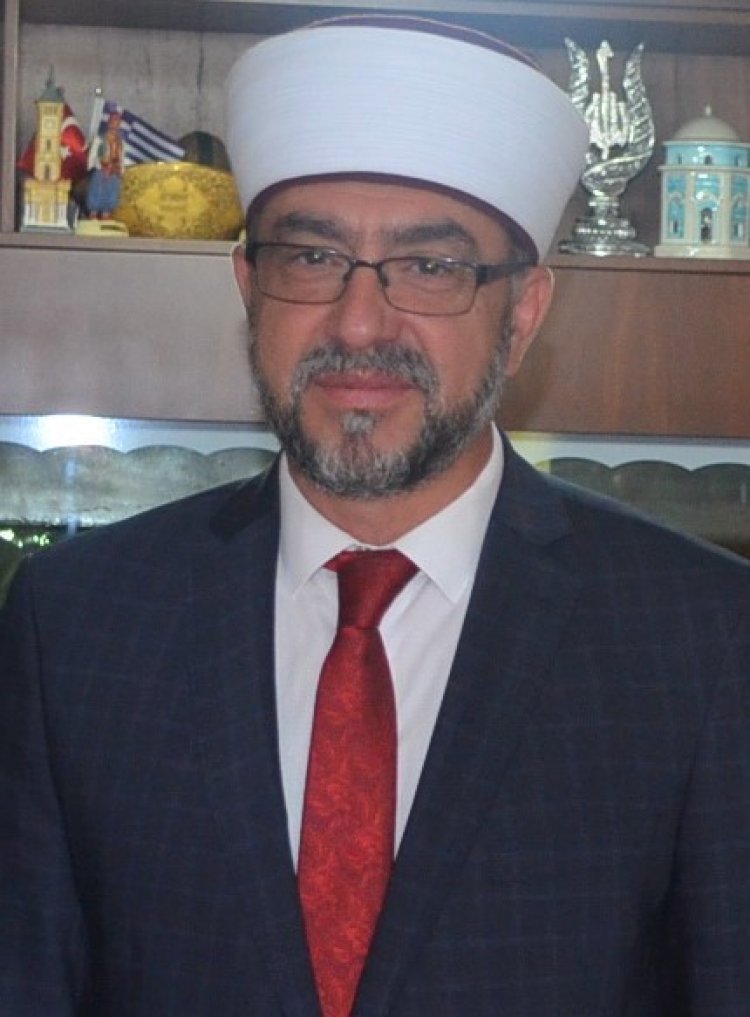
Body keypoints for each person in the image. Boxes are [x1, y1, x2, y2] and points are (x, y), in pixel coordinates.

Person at [1, 16, 749, 1017]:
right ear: (249, 287)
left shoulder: (701, 640)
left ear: (523, 314)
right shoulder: (77, 623)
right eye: (311, 258)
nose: (359, 324)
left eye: (431, 267)